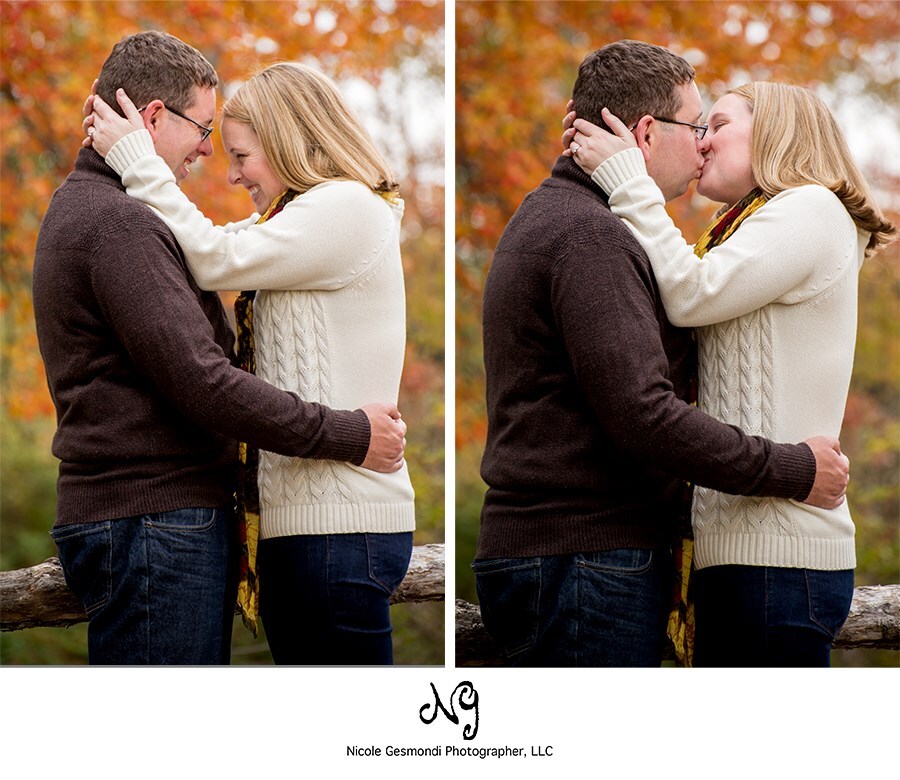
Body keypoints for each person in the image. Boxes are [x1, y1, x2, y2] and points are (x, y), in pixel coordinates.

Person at [32, 31, 406, 666]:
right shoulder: (120, 222)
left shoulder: (343, 209)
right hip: (157, 519)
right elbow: (206, 367)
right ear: (153, 118)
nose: (217, 162)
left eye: (238, 152)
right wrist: (345, 432)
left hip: (323, 525)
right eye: (207, 134)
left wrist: (139, 166)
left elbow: (212, 253)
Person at [472, 40, 851, 668]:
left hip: (610, 553)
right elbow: (645, 412)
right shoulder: (588, 234)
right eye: (699, 125)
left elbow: (685, 307)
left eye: (717, 126)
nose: (703, 141)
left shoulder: (579, 223)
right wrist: (793, 468)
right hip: (583, 556)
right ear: (647, 132)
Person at [562, 80, 894, 666]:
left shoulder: (810, 207)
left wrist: (631, 185)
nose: (702, 142)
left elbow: (691, 293)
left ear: (775, 133)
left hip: (778, 555)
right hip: (742, 551)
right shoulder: (738, 230)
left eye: (717, 125)